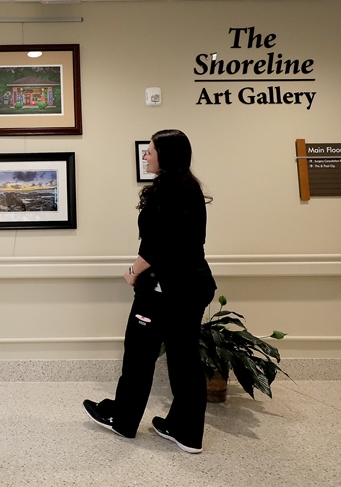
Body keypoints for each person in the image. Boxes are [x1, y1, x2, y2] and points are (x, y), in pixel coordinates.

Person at [83, 129, 216, 454]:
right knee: (184, 358)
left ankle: (123, 421)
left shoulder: (166, 192)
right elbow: (186, 242)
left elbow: (156, 246)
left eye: (150, 150)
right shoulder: (191, 188)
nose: (145, 156)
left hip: (162, 289)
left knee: (139, 356)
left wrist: (132, 273)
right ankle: (185, 431)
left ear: (164, 155)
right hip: (195, 284)